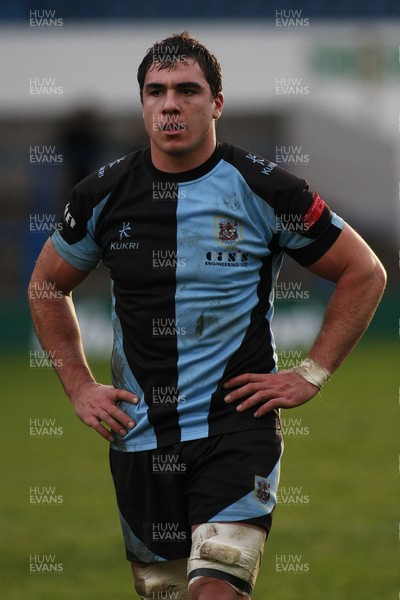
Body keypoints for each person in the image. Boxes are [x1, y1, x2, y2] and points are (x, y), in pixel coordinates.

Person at [28, 31, 386, 600]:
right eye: (156, 91)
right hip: (140, 438)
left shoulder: (266, 189)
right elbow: (46, 284)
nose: (170, 104)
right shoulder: (101, 194)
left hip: (235, 429)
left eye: (187, 90)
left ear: (216, 103)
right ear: (143, 102)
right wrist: (78, 386)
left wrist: (311, 372)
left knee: (214, 592)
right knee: (167, 594)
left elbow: (364, 271)